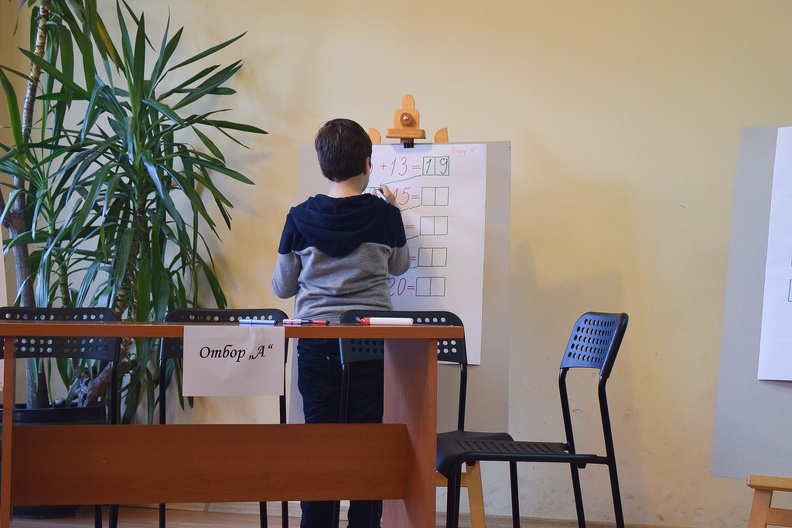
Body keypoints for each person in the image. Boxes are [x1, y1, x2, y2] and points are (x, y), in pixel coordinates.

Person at [271, 118, 410, 528]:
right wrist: (396, 210)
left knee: (321, 440)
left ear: (322, 167)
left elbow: (282, 287)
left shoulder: (299, 218)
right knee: (367, 439)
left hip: (317, 341)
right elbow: (400, 266)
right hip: (371, 340)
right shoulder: (385, 215)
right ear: (368, 163)